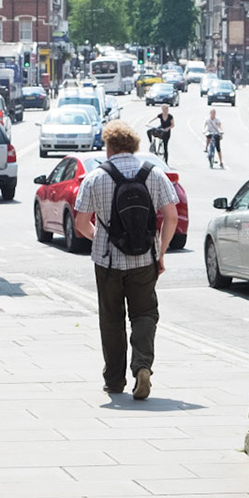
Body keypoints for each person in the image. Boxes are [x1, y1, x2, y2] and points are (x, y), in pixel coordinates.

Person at [72, 121, 180, 401]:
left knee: (111, 318)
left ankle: (114, 380)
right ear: (134, 146)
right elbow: (171, 216)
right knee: (145, 314)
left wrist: (101, 238)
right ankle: (142, 366)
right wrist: (161, 251)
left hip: (107, 262)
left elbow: (81, 223)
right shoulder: (154, 174)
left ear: (109, 146)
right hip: (144, 258)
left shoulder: (95, 177)